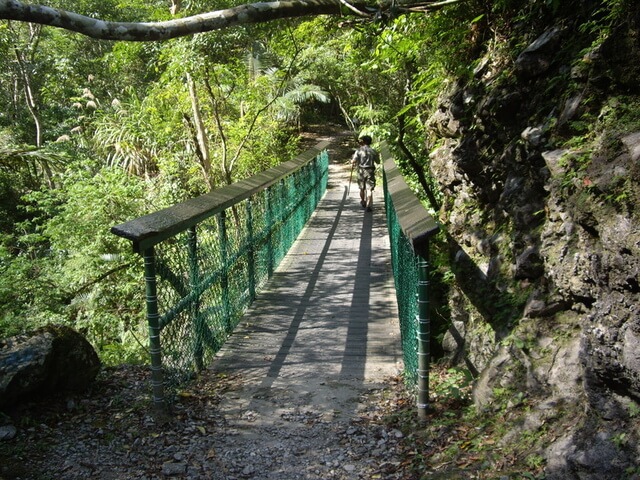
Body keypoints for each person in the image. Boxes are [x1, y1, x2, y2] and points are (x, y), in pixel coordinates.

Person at [351, 135, 380, 212]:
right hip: (370, 171)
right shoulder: (373, 151)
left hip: (361, 171)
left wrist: (353, 162)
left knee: (362, 188)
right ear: (370, 142)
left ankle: (363, 201)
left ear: (363, 142)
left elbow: (354, 160)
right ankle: (368, 205)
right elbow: (378, 161)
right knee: (369, 189)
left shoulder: (359, 150)